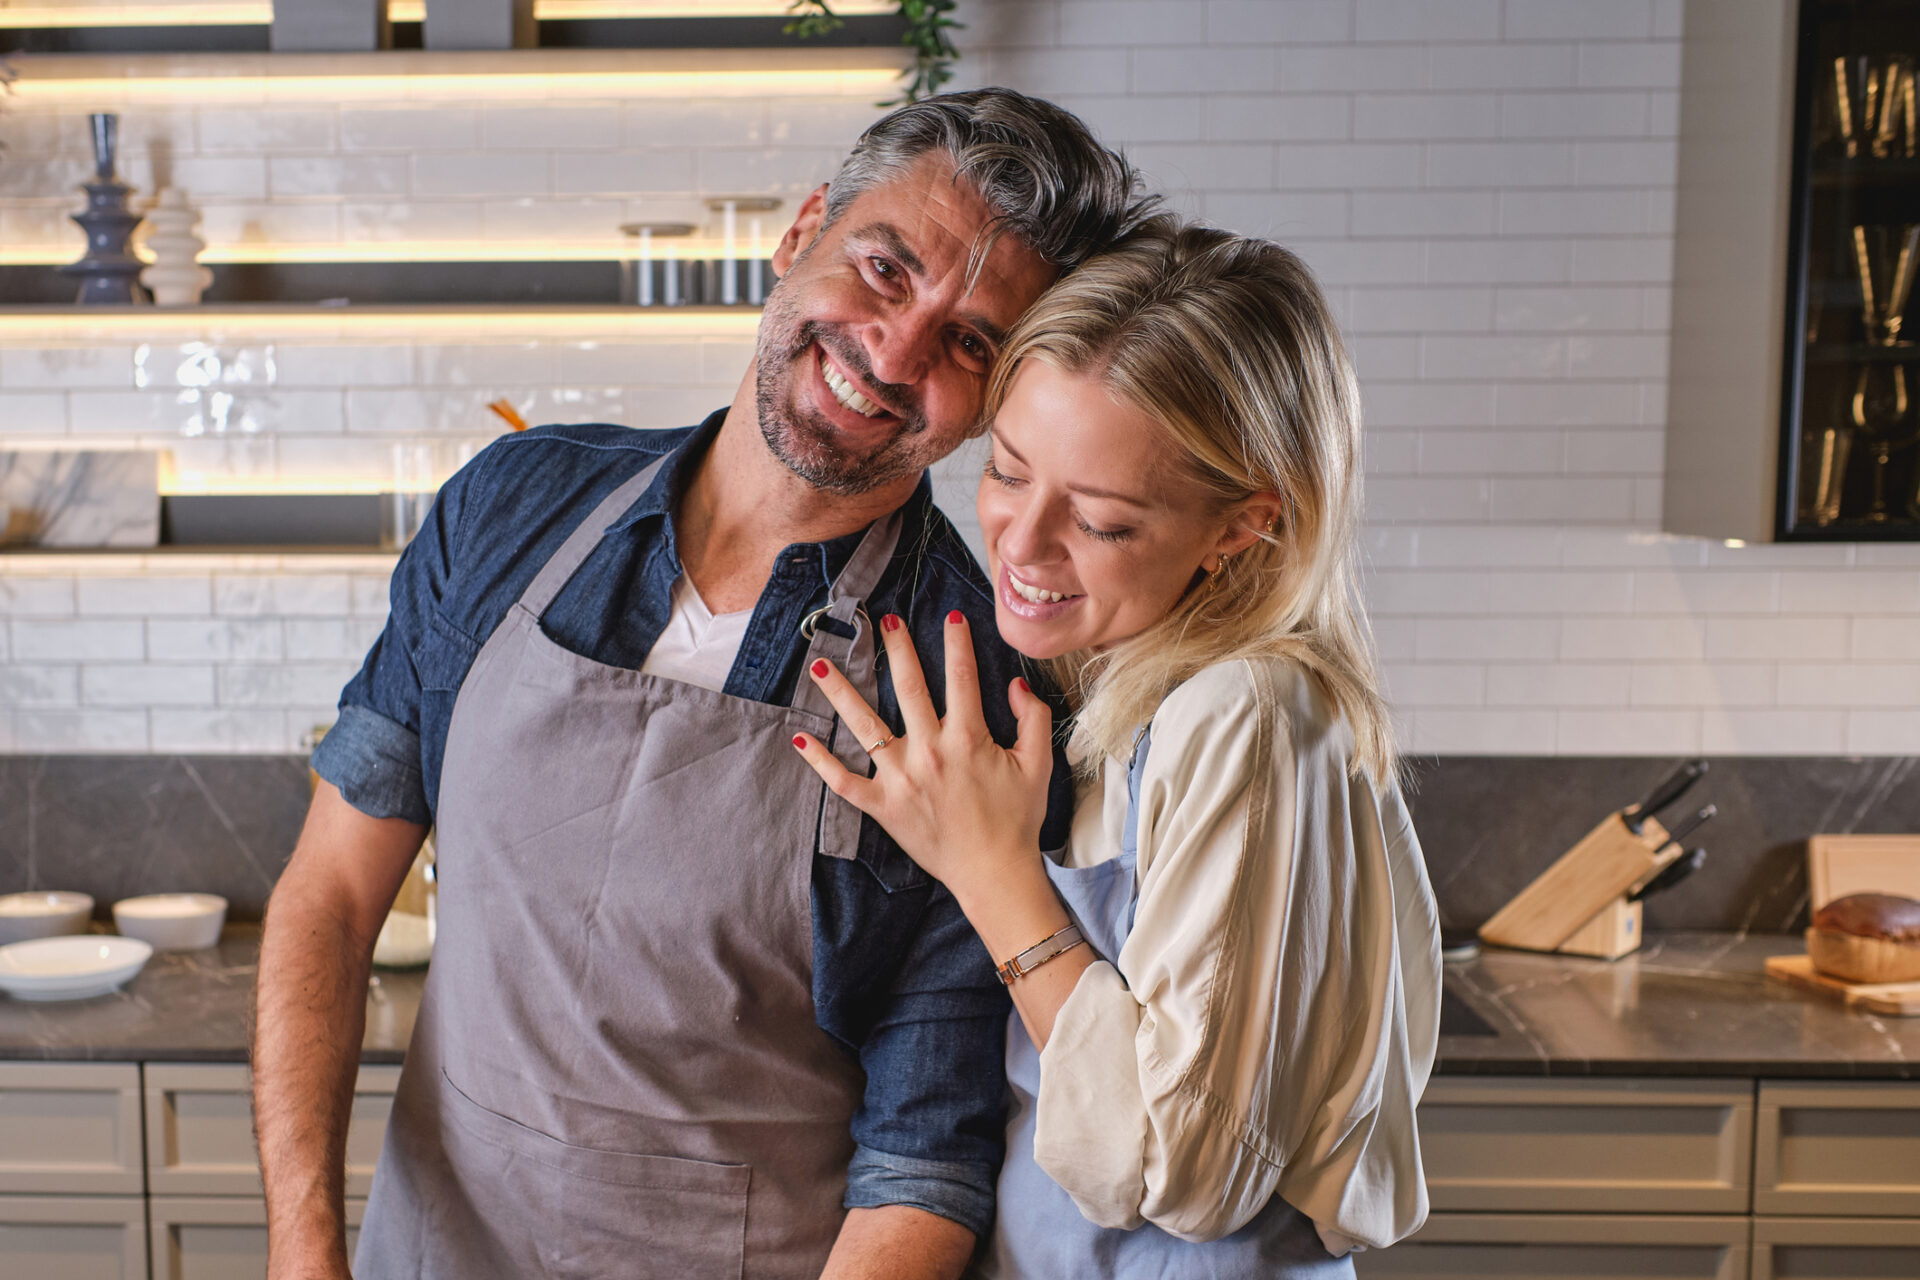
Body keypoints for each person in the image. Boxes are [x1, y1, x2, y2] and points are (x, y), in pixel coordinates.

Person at [252, 89, 1152, 1280]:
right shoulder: (515, 507)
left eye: (970, 341)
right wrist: (301, 1244)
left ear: (1003, 395)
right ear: (803, 232)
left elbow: (923, 1160)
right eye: (883, 270)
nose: (892, 353)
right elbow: (327, 895)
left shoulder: (973, 678)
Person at [794, 219, 1442, 1277]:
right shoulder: (1121, 689)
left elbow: (1193, 1170)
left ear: (1248, 526)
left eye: (1099, 521)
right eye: (1007, 471)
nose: (1020, 542)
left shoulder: (1249, 710)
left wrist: (991, 867)